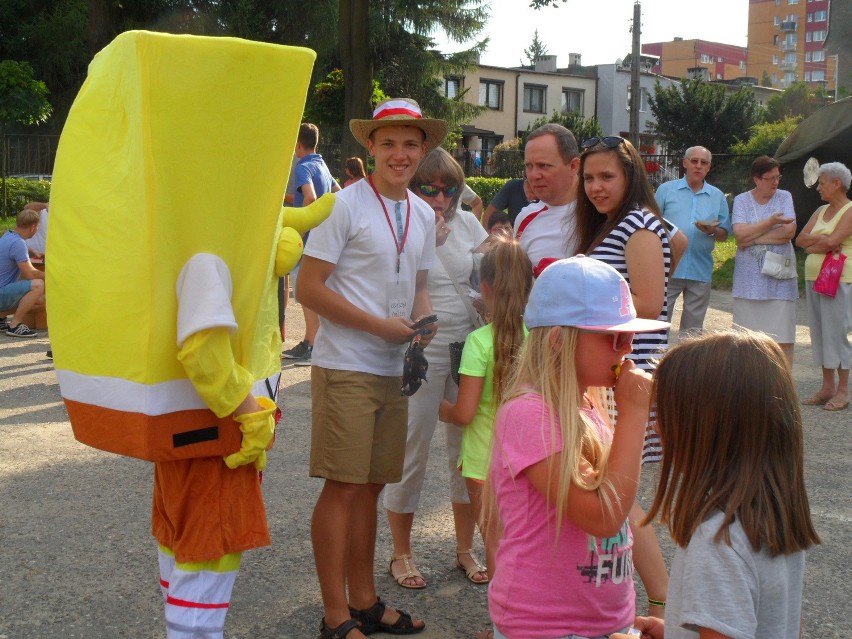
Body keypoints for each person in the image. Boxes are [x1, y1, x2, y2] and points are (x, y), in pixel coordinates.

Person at [298, 97, 448, 639]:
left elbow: (421, 286)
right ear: (371, 147)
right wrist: (375, 326)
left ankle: (363, 600)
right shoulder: (344, 206)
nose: (400, 154)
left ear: (424, 149)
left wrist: (423, 319)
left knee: (372, 486)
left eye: (410, 144)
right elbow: (307, 288)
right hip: (347, 364)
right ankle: (334, 614)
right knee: (342, 486)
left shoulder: (426, 212)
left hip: (394, 367)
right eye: (389, 143)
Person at [488, 255, 668, 639]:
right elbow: (602, 517)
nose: (627, 348)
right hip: (545, 626)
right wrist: (634, 414)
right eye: (614, 337)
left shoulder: (587, 403)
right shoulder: (527, 414)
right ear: (558, 342)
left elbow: (626, 508)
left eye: (631, 336)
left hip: (604, 622)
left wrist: (656, 597)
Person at [612, 331, 821, 639]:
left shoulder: (718, 543)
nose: (656, 426)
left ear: (707, 431)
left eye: (668, 414)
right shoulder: (770, 523)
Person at [575, 135, 679, 618]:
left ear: (631, 176)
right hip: (612, 369)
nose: (596, 186)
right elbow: (676, 240)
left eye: (607, 177)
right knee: (612, 487)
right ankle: (649, 596)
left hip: (627, 370)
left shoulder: (636, 224)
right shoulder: (616, 223)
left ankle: (661, 599)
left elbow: (650, 305)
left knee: (618, 493)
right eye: (589, 177)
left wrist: (578, 305)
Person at [382, 148, 490, 589]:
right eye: (429, 188)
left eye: (449, 188)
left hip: (468, 345)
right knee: (413, 447)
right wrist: (425, 246)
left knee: (468, 449)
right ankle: (400, 553)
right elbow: (387, 283)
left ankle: (465, 548)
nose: (440, 197)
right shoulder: (400, 221)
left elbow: (483, 274)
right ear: (414, 185)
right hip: (422, 344)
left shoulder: (467, 221)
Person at [438, 237, 532, 585]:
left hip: (482, 460)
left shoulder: (478, 343)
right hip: (526, 459)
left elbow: (464, 413)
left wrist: (442, 408)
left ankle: (501, 623)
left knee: (494, 539)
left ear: (485, 288)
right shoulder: (538, 338)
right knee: (523, 538)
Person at [282, 123, 342, 365]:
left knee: (305, 293)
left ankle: (311, 344)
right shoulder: (322, 164)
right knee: (314, 292)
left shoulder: (303, 166)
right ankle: (313, 341)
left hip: (305, 239)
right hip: (323, 238)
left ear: (298, 144)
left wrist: (302, 228)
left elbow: (310, 198)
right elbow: (337, 192)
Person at [655, 146, 731, 336]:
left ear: (709, 167)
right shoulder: (666, 191)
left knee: (692, 332)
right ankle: (653, 364)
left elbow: (725, 234)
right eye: (694, 161)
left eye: (703, 162)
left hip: (700, 267)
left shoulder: (717, 196)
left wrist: (712, 230)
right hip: (668, 266)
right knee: (657, 322)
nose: (698, 166)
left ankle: (687, 366)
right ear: (685, 163)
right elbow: (651, 223)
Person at [795, 161, 852, 412]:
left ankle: (843, 390)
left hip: (838, 278)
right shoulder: (820, 211)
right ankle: (827, 386)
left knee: (836, 333)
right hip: (813, 278)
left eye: (822, 182)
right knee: (818, 333)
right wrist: (820, 241)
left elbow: (834, 241)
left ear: (836, 183)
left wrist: (817, 242)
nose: (818, 187)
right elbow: (800, 239)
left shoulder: (850, 210)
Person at [731, 156, 798, 367]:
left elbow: (788, 232)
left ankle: (784, 385)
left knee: (783, 337)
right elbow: (739, 233)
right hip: (748, 280)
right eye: (770, 178)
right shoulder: (742, 200)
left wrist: (754, 238)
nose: (775, 182)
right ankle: (748, 386)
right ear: (756, 179)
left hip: (779, 280)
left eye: (778, 177)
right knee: (745, 341)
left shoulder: (784, 197)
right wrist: (770, 222)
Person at [514, 124, 581, 270]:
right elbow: (515, 286)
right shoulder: (526, 218)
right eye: (529, 166)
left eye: (543, 165)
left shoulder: (602, 216)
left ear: (573, 166)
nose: (533, 175)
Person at [0, 208, 45, 338]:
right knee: (37, 285)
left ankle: (1, 317)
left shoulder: (7, 235)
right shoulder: (18, 243)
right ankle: (15, 325)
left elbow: (18, 247)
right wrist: (53, 275)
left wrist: (32, 251)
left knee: (39, 301)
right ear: (33, 228)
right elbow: (32, 274)